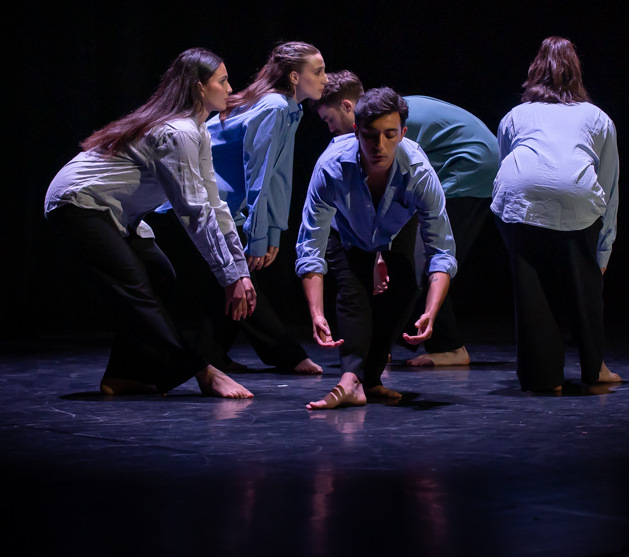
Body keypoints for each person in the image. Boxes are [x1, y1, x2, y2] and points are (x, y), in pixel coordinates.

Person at [44, 47, 255, 398]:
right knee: (137, 288)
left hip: (117, 212)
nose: (231, 88)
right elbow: (194, 212)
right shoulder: (178, 132)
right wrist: (229, 276)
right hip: (77, 202)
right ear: (200, 88)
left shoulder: (196, 131)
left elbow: (214, 205)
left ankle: (123, 375)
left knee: (160, 274)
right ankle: (201, 372)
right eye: (222, 80)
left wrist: (239, 270)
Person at [149, 42, 326, 374]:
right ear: (293, 76)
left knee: (231, 284)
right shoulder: (274, 107)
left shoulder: (288, 109)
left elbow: (278, 177)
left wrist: (272, 231)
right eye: (317, 72)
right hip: (192, 206)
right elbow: (257, 174)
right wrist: (258, 236)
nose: (325, 79)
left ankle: (210, 355)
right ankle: (287, 354)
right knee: (241, 280)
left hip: (222, 208)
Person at [313, 71, 500, 366]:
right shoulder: (381, 121)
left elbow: (408, 205)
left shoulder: (388, 121)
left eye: (330, 120)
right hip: (460, 162)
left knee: (424, 255)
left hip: (470, 167)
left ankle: (449, 346)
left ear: (348, 107)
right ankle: (385, 342)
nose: (331, 129)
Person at [296, 88, 458, 409]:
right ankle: (350, 380)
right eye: (370, 135)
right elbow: (311, 242)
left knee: (403, 293)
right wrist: (315, 312)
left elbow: (441, 249)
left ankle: (368, 380)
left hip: (395, 230)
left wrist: (431, 310)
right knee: (353, 292)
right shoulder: (331, 168)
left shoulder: (419, 174)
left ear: (403, 134)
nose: (379, 145)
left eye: (389, 134)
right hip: (346, 230)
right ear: (356, 131)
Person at [492, 37, 620, 392]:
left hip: (519, 200)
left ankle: (543, 377)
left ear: (534, 72)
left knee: (532, 289)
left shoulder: (515, 115)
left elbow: (506, 166)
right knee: (585, 289)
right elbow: (609, 187)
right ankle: (595, 369)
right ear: (577, 73)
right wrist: (603, 251)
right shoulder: (598, 118)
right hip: (577, 200)